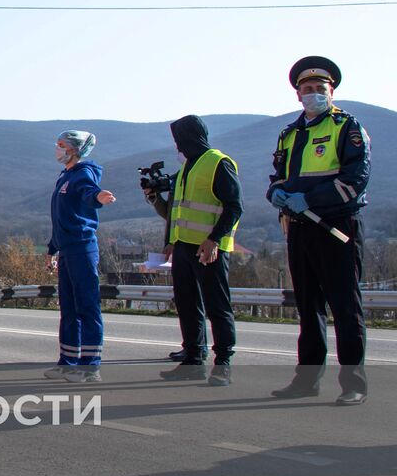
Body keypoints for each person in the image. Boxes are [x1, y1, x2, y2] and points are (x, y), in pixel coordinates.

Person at [267, 56, 370, 406]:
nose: (312, 94)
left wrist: (309, 199)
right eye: (306, 89)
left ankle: (353, 383)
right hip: (299, 228)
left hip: (335, 226)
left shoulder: (346, 127)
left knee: (344, 306)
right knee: (308, 307)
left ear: (332, 91)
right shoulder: (289, 134)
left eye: (319, 89)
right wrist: (277, 194)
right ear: (298, 95)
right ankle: (307, 379)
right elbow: (277, 178)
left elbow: (354, 181)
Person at [145, 116, 242, 386]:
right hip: (183, 247)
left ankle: (223, 363)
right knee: (188, 304)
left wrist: (214, 240)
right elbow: (176, 212)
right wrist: (155, 198)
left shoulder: (218, 163)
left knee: (216, 306)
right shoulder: (187, 167)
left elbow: (234, 207)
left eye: (179, 139)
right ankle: (193, 359)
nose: (177, 146)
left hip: (208, 248)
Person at [44, 130, 116, 383]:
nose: (57, 148)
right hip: (66, 249)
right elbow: (61, 217)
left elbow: (88, 192)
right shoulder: (65, 176)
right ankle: (67, 362)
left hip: (82, 248)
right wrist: (53, 248)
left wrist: (98, 197)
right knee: (69, 308)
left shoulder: (83, 173)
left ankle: (90, 367)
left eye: (61, 145)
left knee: (87, 307)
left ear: (74, 149)